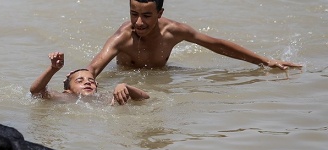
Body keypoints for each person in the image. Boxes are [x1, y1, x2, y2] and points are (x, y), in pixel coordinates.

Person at [87, 0, 303, 79]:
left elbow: (215, 44)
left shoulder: (174, 31)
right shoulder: (122, 37)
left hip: (161, 75)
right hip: (127, 78)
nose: (139, 22)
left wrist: (265, 61)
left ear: (160, 14)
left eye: (146, 15)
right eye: (134, 13)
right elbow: (94, 69)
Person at [30, 52, 150, 105]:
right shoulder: (64, 97)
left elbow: (145, 98)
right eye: (79, 81)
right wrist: (53, 68)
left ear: (96, 87)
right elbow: (35, 90)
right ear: (68, 89)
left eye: (91, 81)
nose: (87, 82)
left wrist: (126, 87)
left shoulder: (105, 98)